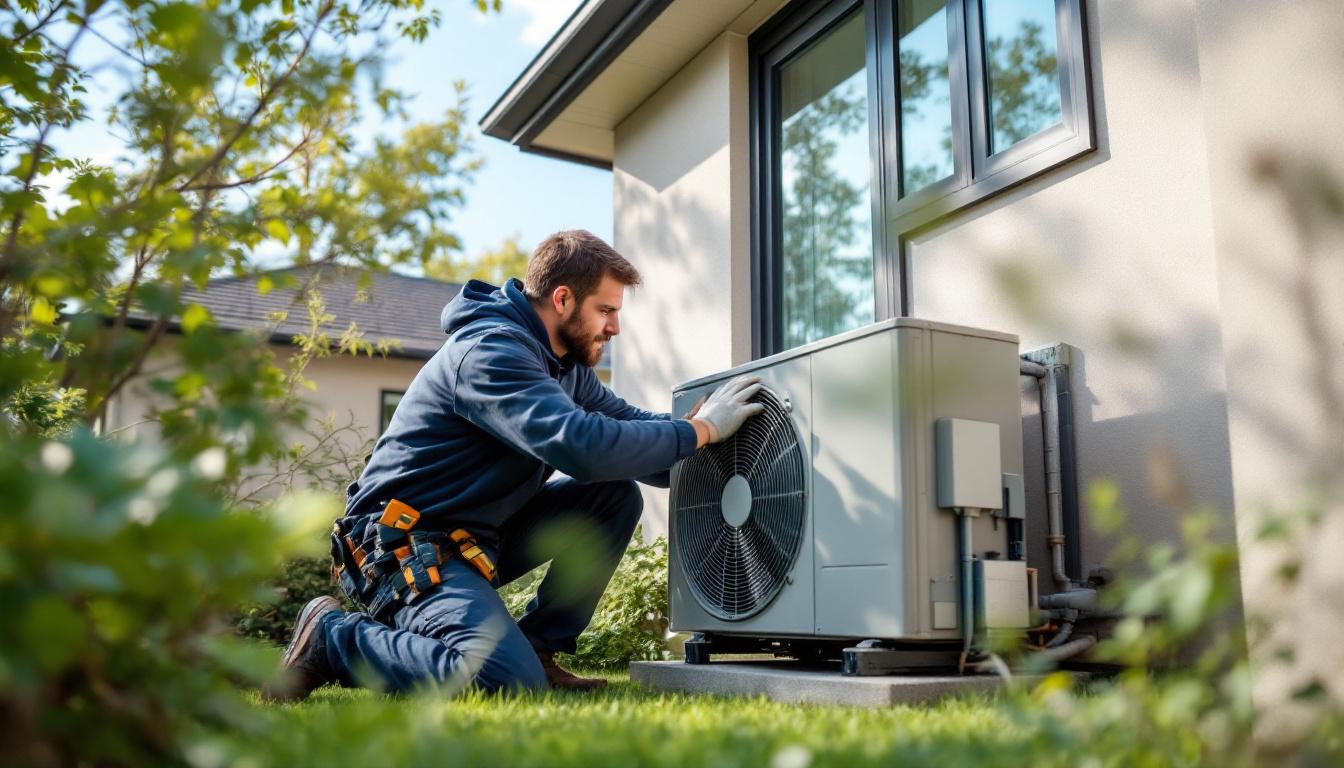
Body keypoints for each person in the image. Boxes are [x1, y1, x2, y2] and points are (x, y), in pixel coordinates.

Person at [263, 230, 762, 700]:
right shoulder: (490, 352)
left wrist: (724, 446)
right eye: (606, 310)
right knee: (502, 680)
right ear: (563, 299)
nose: (615, 326)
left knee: (612, 495)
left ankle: (538, 648)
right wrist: (702, 430)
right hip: (401, 547)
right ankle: (333, 639)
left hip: (471, 542)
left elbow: (630, 437)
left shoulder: (563, 367)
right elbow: (582, 447)